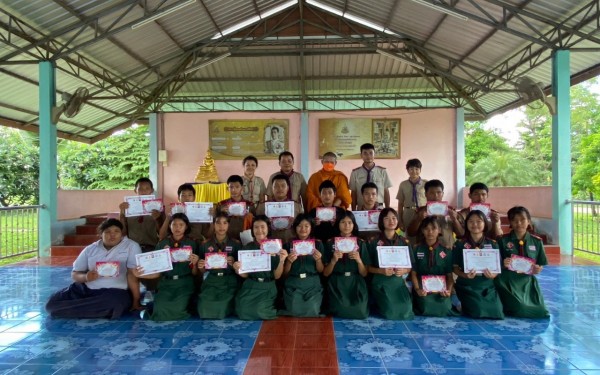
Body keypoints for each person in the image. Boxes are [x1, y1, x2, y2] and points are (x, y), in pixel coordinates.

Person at [46, 219, 141, 319]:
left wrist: (136, 300)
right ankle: (95, 309)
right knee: (51, 304)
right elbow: (75, 274)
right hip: (86, 290)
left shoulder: (131, 246)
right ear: (101, 234)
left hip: (114, 292)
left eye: (116, 231)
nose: (112, 235)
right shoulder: (90, 249)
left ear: (122, 233)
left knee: (114, 303)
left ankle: (73, 310)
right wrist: (86, 277)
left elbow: (132, 274)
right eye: (108, 232)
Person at [134, 213, 199, 321]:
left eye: (181, 225)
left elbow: (195, 273)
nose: (177, 228)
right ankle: (154, 309)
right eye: (174, 224)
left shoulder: (192, 243)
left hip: (185, 283)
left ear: (186, 226)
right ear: (170, 226)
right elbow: (157, 271)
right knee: (160, 307)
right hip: (166, 283)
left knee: (178, 308)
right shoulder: (162, 244)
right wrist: (140, 274)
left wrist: (195, 263)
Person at [494, 206, 549, 318]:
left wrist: (538, 269)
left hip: (527, 281)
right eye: (514, 220)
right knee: (521, 308)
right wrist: (502, 263)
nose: (519, 223)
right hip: (507, 280)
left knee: (541, 311)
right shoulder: (502, 240)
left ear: (528, 221)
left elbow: (540, 263)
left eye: (522, 219)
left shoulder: (537, 242)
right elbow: (494, 264)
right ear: (510, 222)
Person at [233, 215, 288, 320]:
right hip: (251, 285)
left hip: (268, 286)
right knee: (242, 311)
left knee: (259, 311)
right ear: (252, 230)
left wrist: (281, 260)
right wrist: (237, 269)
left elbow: (277, 276)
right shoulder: (247, 247)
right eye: (256, 227)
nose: (259, 230)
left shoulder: (276, 247)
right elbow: (245, 275)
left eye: (263, 227)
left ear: (268, 228)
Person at [452, 210, 504, 319]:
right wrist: (464, 275)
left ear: (485, 223)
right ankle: (463, 303)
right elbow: (455, 268)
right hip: (467, 285)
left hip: (487, 285)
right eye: (471, 221)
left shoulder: (493, 244)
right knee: (477, 311)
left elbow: (498, 268)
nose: (475, 224)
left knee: (497, 312)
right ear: (466, 224)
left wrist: (493, 275)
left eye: (479, 221)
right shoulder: (460, 244)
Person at [367, 208, 414, 320]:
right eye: (387, 218)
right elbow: (367, 267)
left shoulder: (404, 242)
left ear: (397, 221)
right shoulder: (373, 241)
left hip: (398, 281)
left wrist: (404, 270)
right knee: (390, 312)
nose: (391, 221)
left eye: (394, 218)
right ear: (381, 222)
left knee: (407, 309)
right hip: (380, 281)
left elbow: (410, 266)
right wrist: (381, 271)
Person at [323, 211, 370, 319]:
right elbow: (325, 273)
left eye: (350, 222)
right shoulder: (330, 243)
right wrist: (333, 261)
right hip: (337, 281)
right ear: (338, 224)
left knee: (360, 311)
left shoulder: (360, 243)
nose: (347, 226)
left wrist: (359, 261)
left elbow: (364, 273)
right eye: (343, 222)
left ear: (354, 225)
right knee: (341, 308)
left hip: (356, 281)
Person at [197, 212, 241, 319]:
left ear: (228, 225)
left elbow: (241, 268)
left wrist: (235, 262)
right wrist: (201, 266)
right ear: (213, 225)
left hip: (229, 281)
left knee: (221, 306)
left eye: (225, 223)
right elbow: (202, 271)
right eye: (218, 223)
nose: (221, 226)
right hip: (211, 281)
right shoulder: (205, 244)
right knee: (203, 309)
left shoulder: (236, 244)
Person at [280, 214, 325, 317]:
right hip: (294, 283)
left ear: (311, 228)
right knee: (293, 310)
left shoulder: (318, 244)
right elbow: (284, 274)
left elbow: (321, 270)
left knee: (312, 310)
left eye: (306, 226)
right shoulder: (288, 245)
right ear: (295, 228)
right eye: (299, 226)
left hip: (312, 283)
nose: (303, 229)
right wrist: (289, 262)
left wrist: (318, 260)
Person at [410, 216, 456, 317]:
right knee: (425, 306)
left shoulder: (446, 251)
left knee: (445, 307)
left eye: (433, 228)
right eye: (426, 229)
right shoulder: (416, 249)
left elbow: (449, 276)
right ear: (422, 230)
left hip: (441, 289)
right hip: (423, 288)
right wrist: (418, 289)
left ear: (439, 230)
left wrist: (448, 290)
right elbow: (413, 273)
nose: (430, 232)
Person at [406, 179, 464, 247]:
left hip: (447, 250)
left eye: (439, 192)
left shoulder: (451, 211)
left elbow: (461, 234)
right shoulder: (420, 211)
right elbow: (410, 233)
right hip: (425, 251)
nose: (436, 196)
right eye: (431, 193)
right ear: (426, 194)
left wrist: (455, 220)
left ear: (443, 194)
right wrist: (418, 219)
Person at [118, 177, 165, 252]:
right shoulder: (127, 207)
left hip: (152, 246)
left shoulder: (158, 207)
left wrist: (157, 219)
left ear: (152, 190)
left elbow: (162, 233)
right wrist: (122, 213)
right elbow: (123, 232)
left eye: (147, 188)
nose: (144, 191)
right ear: (135, 190)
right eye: (140, 189)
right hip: (131, 247)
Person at [256, 174, 303, 243]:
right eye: (276, 186)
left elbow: (302, 224)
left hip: (290, 241)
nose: (280, 188)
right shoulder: (263, 206)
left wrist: (295, 222)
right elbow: (257, 224)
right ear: (272, 188)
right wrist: (267, 222)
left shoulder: (296, 206)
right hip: (270, 242)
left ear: (288, 188)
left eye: (283, 186)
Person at [349, 143, 392, 210]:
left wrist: (387, 209)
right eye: (365, 153)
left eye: (371, 153)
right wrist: (354, 211)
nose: (368, 156)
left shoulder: (382, 171)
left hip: (379, 208)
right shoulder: (355, 173)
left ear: (374, 154)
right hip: (361, 208)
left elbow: (386, 191)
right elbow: (353, 194)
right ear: (361, 155)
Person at [216, 175, 255, 241]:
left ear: (242, 188)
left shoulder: (249, 205)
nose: (234, 190)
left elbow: (255, 222)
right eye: (231, 187)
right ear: (227, 189)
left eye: (237, 187)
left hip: (245, 238)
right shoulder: (222, 204)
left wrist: (250, 216)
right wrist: (220, 213)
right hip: (227, 238)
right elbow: (215, 222)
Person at [396, 159, 427, 237]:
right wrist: (400, 220)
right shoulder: (403, 184)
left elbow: (430, 200)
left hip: (422, 212)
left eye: (417, 169)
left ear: (420, 170)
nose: (414, 171)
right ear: (407, 170)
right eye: (411, 169)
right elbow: (400, 203)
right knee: (409, 236)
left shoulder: (426, 183)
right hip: (408, 213)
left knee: (423, 234)